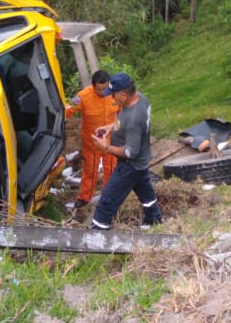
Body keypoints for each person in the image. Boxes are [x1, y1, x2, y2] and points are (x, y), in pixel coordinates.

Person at [90, 73, 163, 228]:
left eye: (113, 95)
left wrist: (106, 147)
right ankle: (154, 220)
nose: (111, 98)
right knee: (146, 193)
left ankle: (97, 233)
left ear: (124, 94)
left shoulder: (134, 119)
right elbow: (126, 122)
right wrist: (111, 127)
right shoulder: (140, 99)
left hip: (130, 165)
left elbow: (131, 152)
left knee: (107, 200)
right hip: (142, 160)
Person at [65, 69, 118, 210]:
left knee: (112, 170)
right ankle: (84, 198)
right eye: (99, 90)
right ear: (93, 86)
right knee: (89, 171)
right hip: (92, 143)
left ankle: (110, 196)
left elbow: (124, 112)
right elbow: (67, 111)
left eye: (105, 89)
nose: (103, 93)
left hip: (111, 141)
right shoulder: (83, 97)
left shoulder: (115, 93)